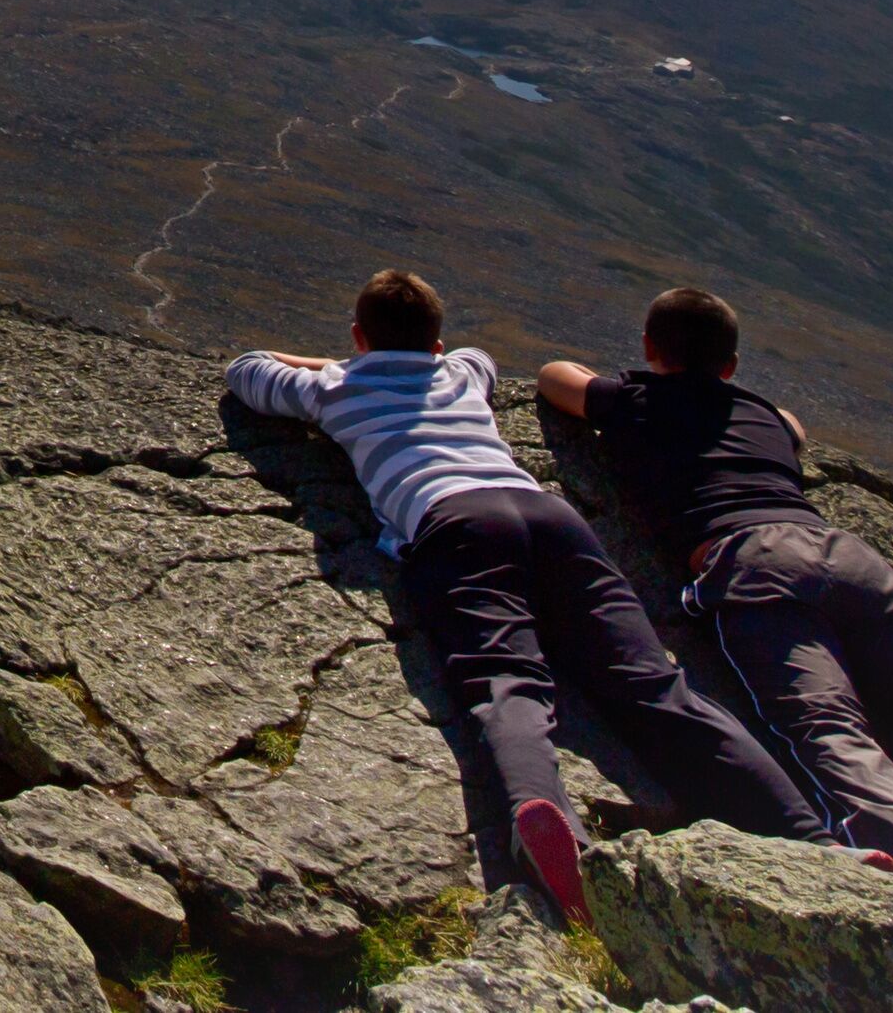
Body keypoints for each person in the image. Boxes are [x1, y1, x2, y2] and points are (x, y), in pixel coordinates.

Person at [229, 270, 827, 926]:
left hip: (454, 523)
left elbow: (247, 371)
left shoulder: (335, 388)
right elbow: (480, 362)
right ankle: (809, 838)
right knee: (653, 682)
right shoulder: (460, 374)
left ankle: (544, 816)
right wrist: (403, 356)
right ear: (436, 342)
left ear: (357, 336)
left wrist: (349, 363)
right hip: (550, 518)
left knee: (508, 680)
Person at [538, 287, 893, 873]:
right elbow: (795, 426)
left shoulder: (638, 401)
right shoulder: (764, 415)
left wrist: (634, 380)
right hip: (850, 558)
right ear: (731, 366)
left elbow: (557, 377)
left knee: (824, 719)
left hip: (754, 560)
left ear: (649, 346)